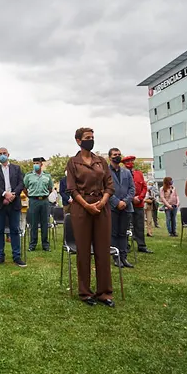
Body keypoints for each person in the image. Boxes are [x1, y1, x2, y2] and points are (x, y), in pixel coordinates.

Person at [66, 127, 114, 307]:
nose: (91, 140)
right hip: (81, 208)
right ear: (78, 141)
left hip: (102, 206)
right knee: (83, 251)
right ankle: (85, 292)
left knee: (102, 250)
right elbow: (72, 188)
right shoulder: (73, 162)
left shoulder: (101, 161)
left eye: (93, 137)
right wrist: (86, 205)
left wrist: (102, 202)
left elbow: (109, 184)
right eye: (87, 137)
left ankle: (104, 293)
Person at [0, 147, 25, 267]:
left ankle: (17, 256)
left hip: (14, 203)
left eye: (4, 153)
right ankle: (0, 256)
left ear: (8, 154)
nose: (2, 155)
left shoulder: (16, 168)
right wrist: (4, 194)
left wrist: (13, 194)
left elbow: (21, 183)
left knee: (15, 230)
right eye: (0, 154)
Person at [107, 148, 134, 268]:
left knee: (123, 234)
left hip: (126, 207)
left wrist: (125, 201)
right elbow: (104, 189)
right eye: (114, 155)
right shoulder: (105, 172)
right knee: (114, 233)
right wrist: (116, 202)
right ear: (109, 157)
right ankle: (116, 257)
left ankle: (124, 257)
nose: (117, 156)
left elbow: (132, 189)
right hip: (112, 207)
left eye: (118, 154)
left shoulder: (126, 172)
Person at [122, 155, 152, 253]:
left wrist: (140, 197)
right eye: (128, 162)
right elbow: (122, 189)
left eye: (132, 161)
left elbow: (144, 187)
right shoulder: (122, 174)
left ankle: (141, 245)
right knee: (126, 225)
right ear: (124, 164)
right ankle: (126, 245)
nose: (131, 163)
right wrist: (131, 199)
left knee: (139, 225)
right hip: (127, 204)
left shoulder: (138, 173)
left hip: (138, 204)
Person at [24, 157, 53, 251]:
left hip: (44, 200)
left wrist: (45, 196)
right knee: (33, 223)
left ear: (41, 164)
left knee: (45, 222)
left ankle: (45, 244)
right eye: (34, 163)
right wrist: (31, 196)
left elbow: (50, 188)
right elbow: (24, 188)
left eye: (37, 163)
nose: (35, 165)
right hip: (33, 200)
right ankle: (33, 244)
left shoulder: (47, 176)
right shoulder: (28, 176)